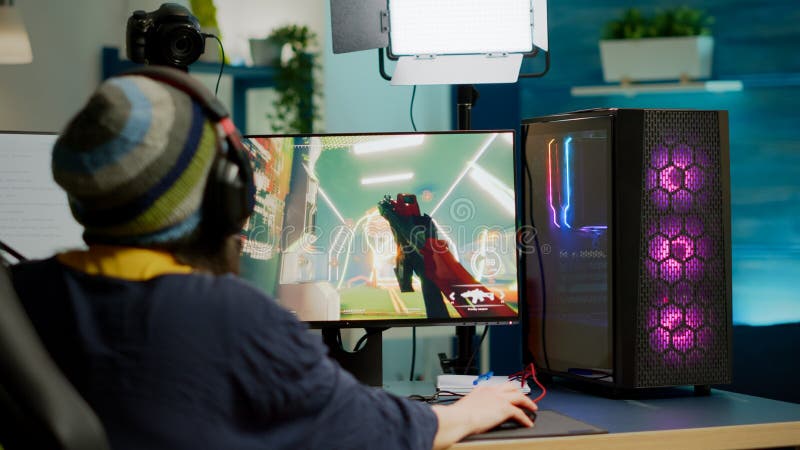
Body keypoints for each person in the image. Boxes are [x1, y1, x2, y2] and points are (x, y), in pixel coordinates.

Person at [9, 68, 537, 450]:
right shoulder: (231, 317)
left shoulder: (16, 300)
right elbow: (371, 431)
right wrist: (470, 411)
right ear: (225, 196)